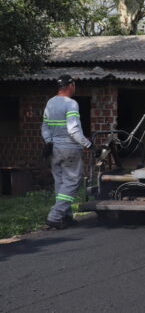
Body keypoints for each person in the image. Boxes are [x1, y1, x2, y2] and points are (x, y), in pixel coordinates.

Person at [41, 75, 92, 229]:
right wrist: (88, 144)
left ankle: (66, 216)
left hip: (54, 149)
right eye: (74, 85)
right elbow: (73, 129)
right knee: (72, 182)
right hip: (70, 148)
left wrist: (49, 141)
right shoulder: (71, 104)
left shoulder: (50, 102)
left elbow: (44, 127)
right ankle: (55, 216)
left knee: (61, 183)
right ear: (70, 85)